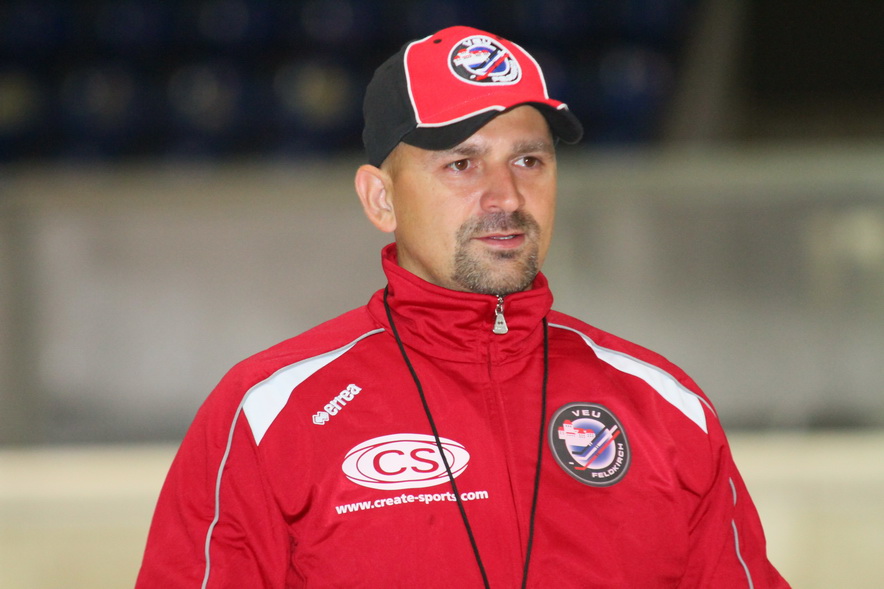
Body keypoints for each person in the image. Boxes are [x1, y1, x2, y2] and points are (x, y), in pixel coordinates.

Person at [136, 25, 789, 588]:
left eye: (529, 159)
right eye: (461, 164)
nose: (506, 196)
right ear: (381, 199)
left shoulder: (665, 408)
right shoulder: (268, 415)